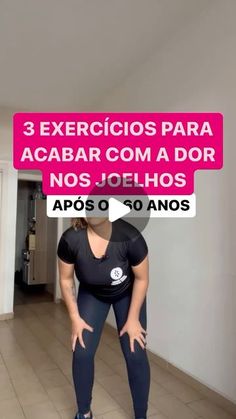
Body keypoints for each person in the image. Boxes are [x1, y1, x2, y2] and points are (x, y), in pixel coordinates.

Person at [57, 217, 150, 419]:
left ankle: (141, 416)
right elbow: (65, 280)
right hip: (92, 294)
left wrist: (133, 318)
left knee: (135, 353)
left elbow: (142, 279)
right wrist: (75, 318)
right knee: (81, 351)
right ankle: (84, 412)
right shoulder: (71, 239)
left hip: (127, 294)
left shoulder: (129, 236)